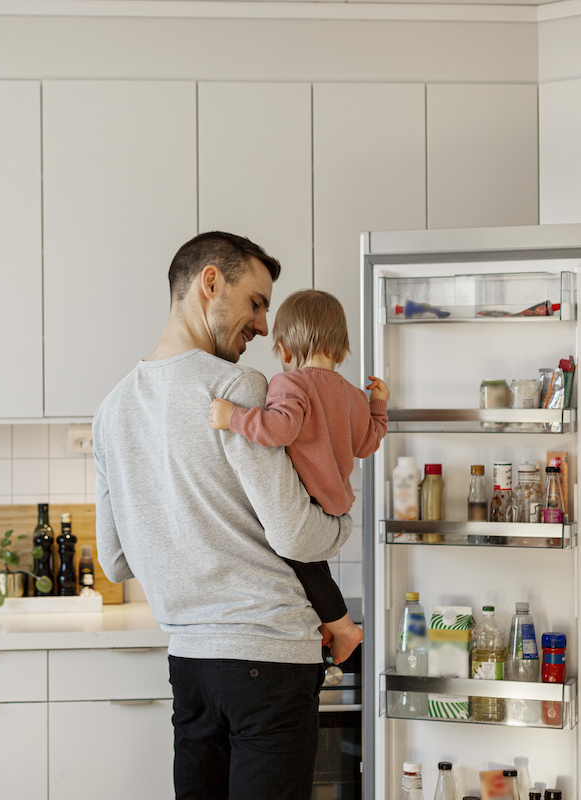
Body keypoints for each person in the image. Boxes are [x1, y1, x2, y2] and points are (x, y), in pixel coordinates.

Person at [93, 231, 353, 800]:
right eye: (256, 303)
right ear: (211, 283)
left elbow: (113, 561)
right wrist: (342, 523)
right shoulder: (238, 388)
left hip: (190, 667)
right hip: (269, 661)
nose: (264, 326)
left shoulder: (111, 411)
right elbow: (295, 532)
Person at [208, 289, 389, 666]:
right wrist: (379, 404)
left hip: (308, 514)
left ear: (285, 349)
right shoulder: (354, 396)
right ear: (341, 349)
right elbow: (369, 442)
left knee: (289, 552)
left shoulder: (291, 384)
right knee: (307, 564)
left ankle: (344, 628)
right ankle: (332, 621)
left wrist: (233, 418)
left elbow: (279, 430)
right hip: (335, 516)